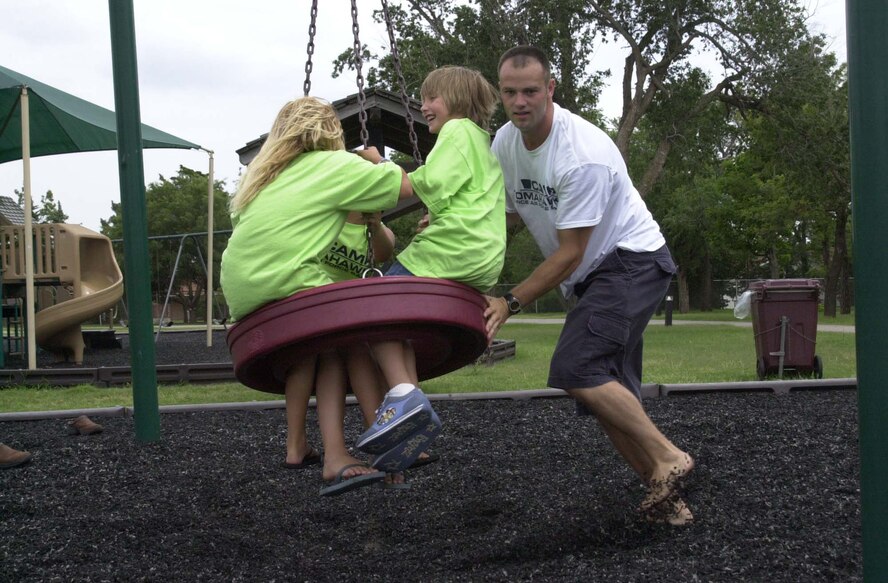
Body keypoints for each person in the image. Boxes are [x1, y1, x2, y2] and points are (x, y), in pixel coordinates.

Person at [484, 46, 694, 525]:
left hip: (630, 262)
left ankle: (670, 457)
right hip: (596, 273)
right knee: (609, 397)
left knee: (578, 367)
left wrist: (511, 301)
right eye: (510, 92)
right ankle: (671, 505)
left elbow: (570, 252)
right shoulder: (505, 142)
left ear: (550, 89)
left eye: (531, 91)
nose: (520, 102)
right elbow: (509, 214)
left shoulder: (582, 155)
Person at [220, 96, 414, 496]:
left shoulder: (263, 176)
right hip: (287, 280)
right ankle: (341, 452)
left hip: (241, 289)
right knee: (344, 340)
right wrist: (377, 163)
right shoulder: (332, 165)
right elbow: (406, 187)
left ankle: (319, 446)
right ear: (332, 134)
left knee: (323, 344)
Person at [354, 65, 507, 473]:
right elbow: (464, 195)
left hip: (450, 252)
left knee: (373, 305)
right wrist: (434, 216)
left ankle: (404, 396)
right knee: (396, 323)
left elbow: (424, 184)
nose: (424, 107)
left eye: (431, 98)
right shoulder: (480, 141)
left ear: (455, 100)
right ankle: (411, 427)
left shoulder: (457, 132)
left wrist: (377, 169)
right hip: (479, 255)